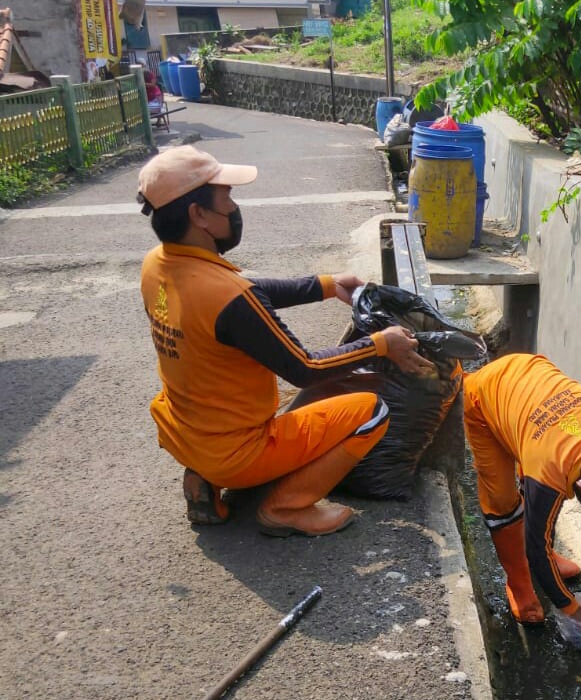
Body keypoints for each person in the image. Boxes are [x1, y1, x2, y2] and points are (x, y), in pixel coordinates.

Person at [137, 145, 434, 537]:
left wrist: (326, 285)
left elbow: (245, 293)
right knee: (373, 411)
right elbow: (305, 368)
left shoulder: (157, 265)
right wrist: (381, 344)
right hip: (236, 452)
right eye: (227, 198)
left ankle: (202, 481)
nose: (234, 208)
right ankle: (285, 507)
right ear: (199, 215)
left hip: (182, 433)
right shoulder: (228, 297)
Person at [463, 353, 581, 634]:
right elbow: (535, 546)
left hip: (532, 376)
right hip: (483, 395)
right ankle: (519, 583)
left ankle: (546, 562)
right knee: (501, 500)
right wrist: (575, 610)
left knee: (534, 458)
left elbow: (571, 430)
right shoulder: (547, 477)